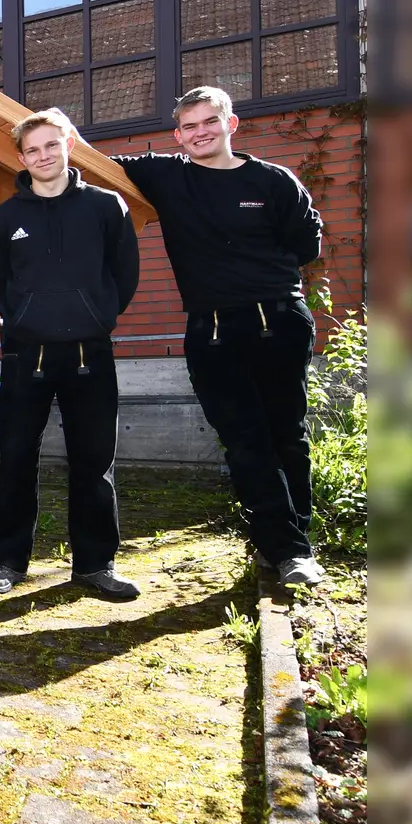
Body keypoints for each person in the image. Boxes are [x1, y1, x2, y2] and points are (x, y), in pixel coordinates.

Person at [108, 87, 326, 586]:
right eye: (189, 126)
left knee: (287, 437)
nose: (200, 132)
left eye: (210, 121)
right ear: (178, 135)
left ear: (231, 124)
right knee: (246, 443)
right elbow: (87, 156)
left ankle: (290, 548)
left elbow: (307, 245)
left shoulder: (273, 181)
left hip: (280, 322)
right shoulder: (167, 175)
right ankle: (287, 548)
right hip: (211, 330)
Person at [0, 110, 141, 599]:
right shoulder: (5, 217)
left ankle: (95, 564)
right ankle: (8, 562)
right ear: (21, 158)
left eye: (51, 145)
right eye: (32, 150)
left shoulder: (106, 206)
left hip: (91, 354)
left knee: (93, 461)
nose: (43, 156)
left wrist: (97, 315)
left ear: (69, 143)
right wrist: (26, 320)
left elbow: (124, 274)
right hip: (25, 356)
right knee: (15, 460)